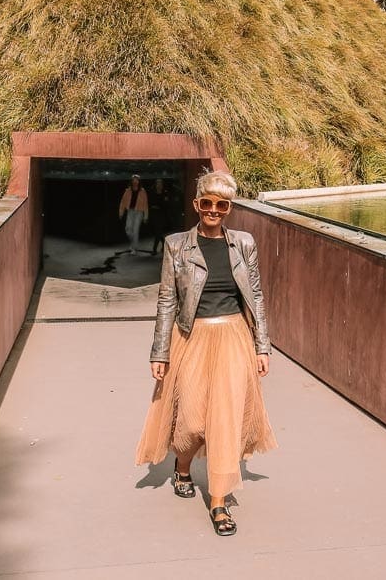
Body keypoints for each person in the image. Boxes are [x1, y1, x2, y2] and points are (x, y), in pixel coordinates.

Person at [135, 170, 277, 537]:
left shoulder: (244, 243)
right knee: (193, 421)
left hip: (234, 337)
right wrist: (159, 352)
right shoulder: (176, 245)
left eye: (222, 205)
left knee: (224, 419)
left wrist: (262, 346)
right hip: (191, 337)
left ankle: (218, 502)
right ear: (197, 204)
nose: (214, 210)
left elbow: (256, 297)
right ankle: (182, 466)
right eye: (208, 203)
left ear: (229, 208)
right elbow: (167, 301)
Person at [118, 174, 148, 255]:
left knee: (135, 230)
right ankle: (132, 243)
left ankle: (134, 248)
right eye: (133, 180)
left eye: (136, 180)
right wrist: (121, 213)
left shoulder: (142, 191)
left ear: (139, 181)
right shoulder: (128, 191)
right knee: (128, 229)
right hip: (130, 212)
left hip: (139, 212)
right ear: (131, 181)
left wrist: (146, 216)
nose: (135, 182)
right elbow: (122, 202)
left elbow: (145, 204)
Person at [148, 178, 172, 255]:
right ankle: (164, 244)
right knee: (158, 232)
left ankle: (154, 249)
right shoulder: (152, 192)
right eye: (157, 183)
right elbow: (150, 203)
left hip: (162, 214)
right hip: (154, 214)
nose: (159, 185)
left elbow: (166, 204)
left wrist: (159, 205)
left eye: (160, 183)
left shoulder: (165, 193)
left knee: (158, 231)